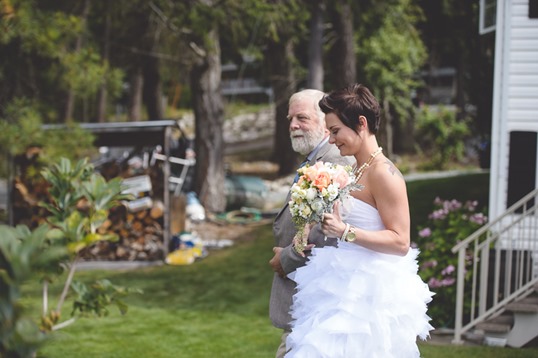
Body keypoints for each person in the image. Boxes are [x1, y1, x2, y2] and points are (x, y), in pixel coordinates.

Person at [284, 83, 434, 357]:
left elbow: (401, 242)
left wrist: (345, 231)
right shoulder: (355, 169)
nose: (331, 140)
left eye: (336, 131)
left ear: (361, 124)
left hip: (368, 292)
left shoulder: (385, 174)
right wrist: (312, 228)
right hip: (339, 278)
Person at [268, 89, 354, 358]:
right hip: (304, 306)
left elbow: (328, 228)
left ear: (325, 122)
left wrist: (287, 259)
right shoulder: (316, 159)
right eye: (290, 118)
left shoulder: (335, 161)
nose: (293, 125)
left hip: (315, 307)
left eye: (302, 118)